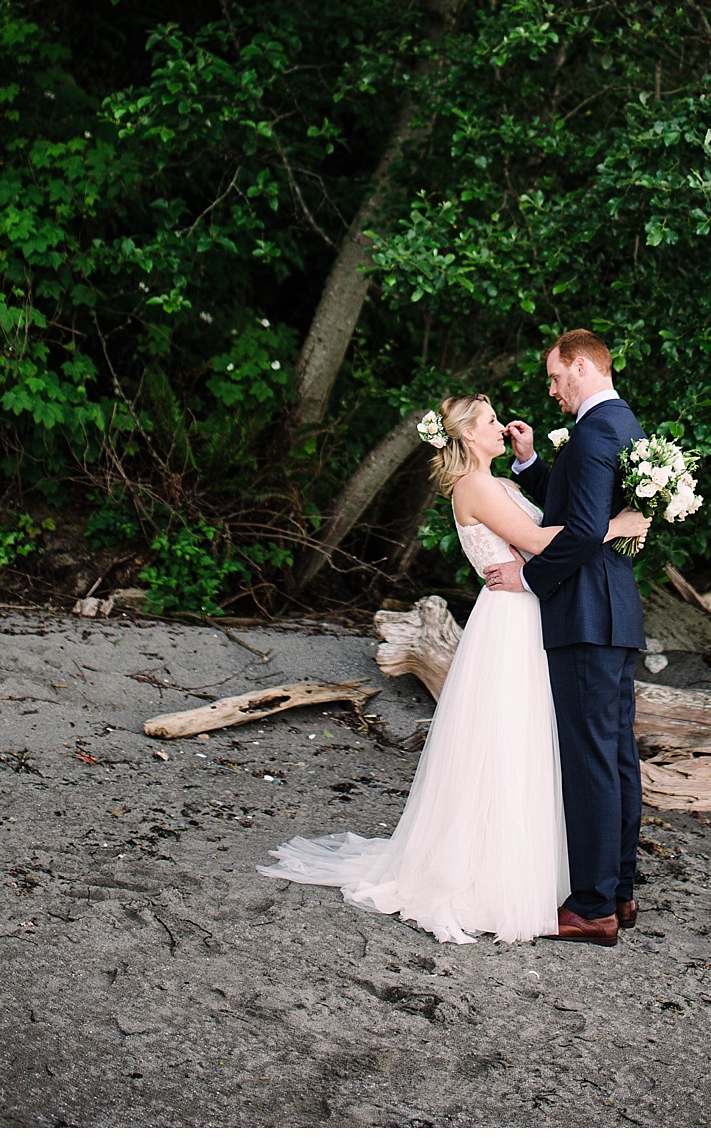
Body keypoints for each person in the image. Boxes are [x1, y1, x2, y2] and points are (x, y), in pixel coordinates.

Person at [258, 391, 647, 944]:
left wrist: (530, 460)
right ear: (468, 435)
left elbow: (549, 515)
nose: (502, 425)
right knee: (506, 742)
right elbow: (539, 540)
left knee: (531, 742)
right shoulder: (475, 486)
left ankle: (551, 872)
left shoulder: (502, 483)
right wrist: (618, 523)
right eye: (491, 421)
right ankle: (496, 872)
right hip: (511, 619)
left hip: (529, 615)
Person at [484, 328, 647, 946]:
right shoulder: (626, 426)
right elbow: (588, 507)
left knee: (589, 763)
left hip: (585, 614)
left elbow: (578, 530)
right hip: (617, 613)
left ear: (580, 367)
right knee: (617, 757)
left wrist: (527, 577)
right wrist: (530, 465)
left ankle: (590, 906)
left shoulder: (592, 433)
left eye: (555, 377)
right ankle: (621, 892)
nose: (551, 390)